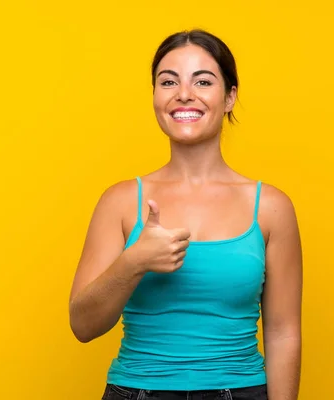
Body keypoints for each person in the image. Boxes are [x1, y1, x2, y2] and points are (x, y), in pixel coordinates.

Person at [68, 29, 303, 400]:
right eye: (168, 81)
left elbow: (283, 331)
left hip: (240, 391)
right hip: (137, 390)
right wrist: (133, 262)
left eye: (203, 81)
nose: (184, 94)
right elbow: (82, 325)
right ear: (156, 97)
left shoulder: (271, 207)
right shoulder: (120, 201)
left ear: (229, 97)